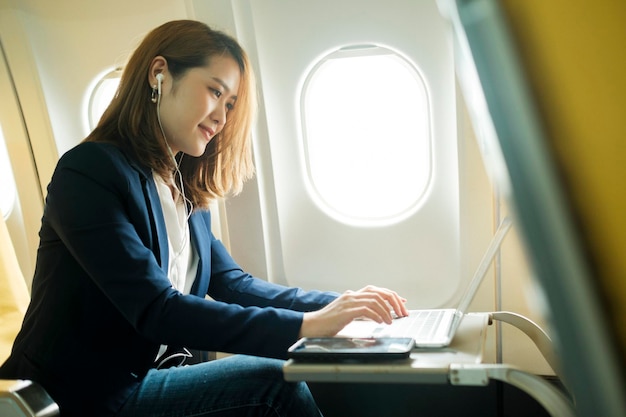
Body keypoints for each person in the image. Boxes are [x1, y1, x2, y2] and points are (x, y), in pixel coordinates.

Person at [0, 20, 408, 417]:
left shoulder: (185, 191)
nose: (222, 117)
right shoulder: (89, 172)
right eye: (215, 92)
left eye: (230, 105)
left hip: (144, 379)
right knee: (270, 386)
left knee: (319, 374)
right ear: (159, 74)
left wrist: (346, 307)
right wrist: (308, 325)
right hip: (81, 395)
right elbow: (158, 309)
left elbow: (234, 284)